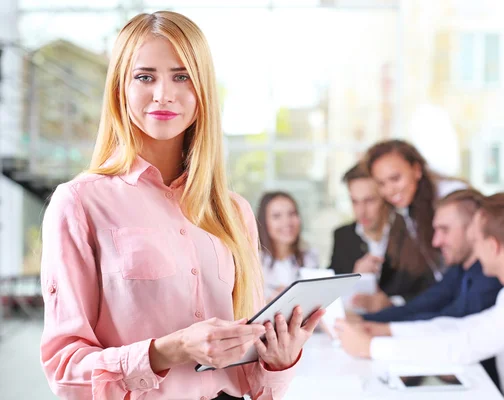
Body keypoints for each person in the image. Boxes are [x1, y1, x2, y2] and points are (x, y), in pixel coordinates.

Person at [39, 11, 324, 400]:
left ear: (202, 89)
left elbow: (251, 381)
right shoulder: (79, 203)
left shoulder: (234, 212)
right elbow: (64, 369)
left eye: (181, 76)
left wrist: (278, 360)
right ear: (120, 88)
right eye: (145, 77)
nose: (163, 94)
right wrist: (168, 350)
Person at [335, 193, 504, 400]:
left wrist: (370, 348)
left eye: (476, 241)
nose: (474, 250)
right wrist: (386, 331)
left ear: (493, 246)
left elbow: (464, 346)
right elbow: (464, 328)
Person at [347, 189, 503, 387]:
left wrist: (378, 335)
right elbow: (422, 305)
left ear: (474, 229)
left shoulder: (488, 278)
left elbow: (450, 323)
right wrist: (364, 321)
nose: (436, 241)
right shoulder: (460, 270)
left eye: (444, 230)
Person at [352, 139, 468, 312]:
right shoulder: (408, 212)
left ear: (416, 170)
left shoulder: (452, 197)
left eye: (395, 178)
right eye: (382, 184)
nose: (389, 191)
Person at [329, 163, 403, 298]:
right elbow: (328, 293)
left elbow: (423, 290)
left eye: (369, 200)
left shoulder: (407, 232)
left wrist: (390, 302)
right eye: (354, 202)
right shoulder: (342, 236)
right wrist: (354, 277)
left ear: (385, 197)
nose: (361, 212)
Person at [257, 191, 319, 300]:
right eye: (276, 216)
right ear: (264, 222)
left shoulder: (310, 257)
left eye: (292, 214)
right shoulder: (254, 262)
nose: (287, 222)